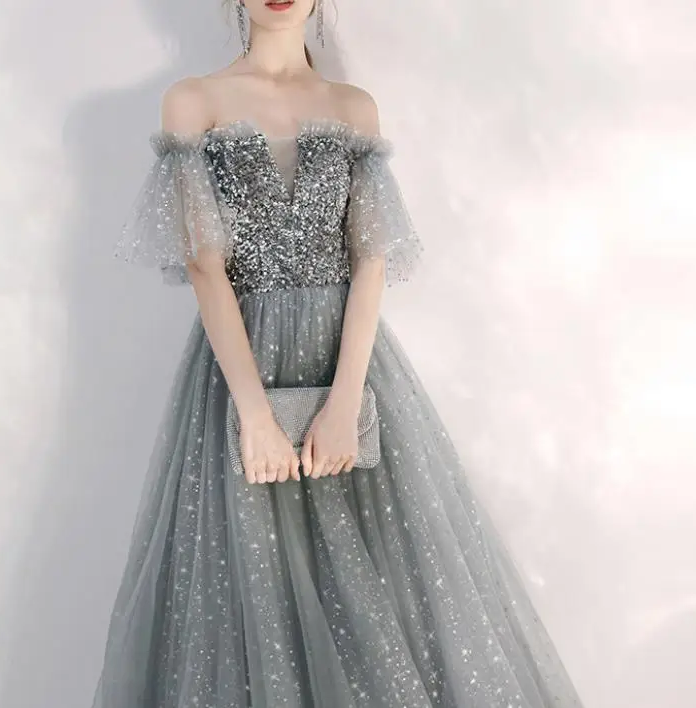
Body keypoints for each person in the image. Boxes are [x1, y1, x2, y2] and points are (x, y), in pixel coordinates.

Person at [93, 1, 586, 706]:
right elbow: (205, 266)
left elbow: (370, 260)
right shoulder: (194, 100)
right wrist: (255, 415)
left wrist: (347, 401)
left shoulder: (353, 108)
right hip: (241, 367)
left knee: (381, 586)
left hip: (348, 361)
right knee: (252, 580)